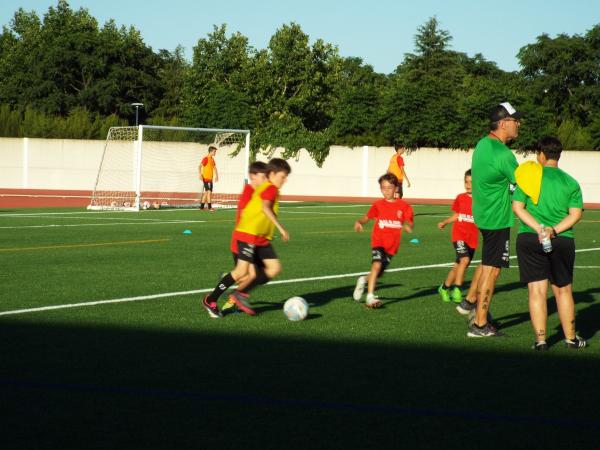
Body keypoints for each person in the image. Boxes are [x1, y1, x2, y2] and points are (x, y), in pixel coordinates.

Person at [512, 136, 586, 350]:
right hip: (562, 239)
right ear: (558, 156)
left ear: (541, 154)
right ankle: (571, 338)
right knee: (563, 290)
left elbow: (518, 207)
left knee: (537, 290)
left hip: (530, 237)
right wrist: (553, 230)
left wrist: (539, 229)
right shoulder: (570, 182)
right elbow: (576, 214)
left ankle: (541, 340)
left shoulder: (530, 177)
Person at [202, 158, 291, 318]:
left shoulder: (266, 189)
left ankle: (237, 293)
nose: (285, 180)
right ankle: (216, 299)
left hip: (258, 237)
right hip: (247, 236)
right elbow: (259, 211)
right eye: (282, 177)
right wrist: (281, 228)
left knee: (266, 271)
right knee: (247, 273)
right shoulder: (265, 189)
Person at [469, 102, 520, 338]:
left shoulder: (482, 144)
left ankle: (473, 307)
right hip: (497, 219)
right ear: (503, 124)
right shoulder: (503, 154)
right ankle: (479, 323)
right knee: (493, 271)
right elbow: (523, 185)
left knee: (488, 266)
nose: (518, 124)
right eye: (514, 120)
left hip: (484, 215)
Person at [353, 173, 414, 308]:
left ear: (396, 188)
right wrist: (360, 222)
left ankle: (362, 280)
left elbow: (410, 222)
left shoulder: (404, 206)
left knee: (378, 272)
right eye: (383, 188)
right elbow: (367, 217)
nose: (386, 191)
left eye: (389, 187)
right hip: (378, 241)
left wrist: (408, 226)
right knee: (376, 265)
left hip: (392, 247)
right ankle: (370, 297)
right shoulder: (378, 204)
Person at [221, 161, 269, 313]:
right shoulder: (248, 194)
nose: (265, 180)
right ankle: (231, 299)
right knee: (252, 276)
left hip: (251, 242)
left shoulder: (256, 193)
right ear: (253, 176)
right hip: (242, 243)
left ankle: (231, 282)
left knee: (258, 275)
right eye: (263, 177)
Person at [437, 169, 482, 306]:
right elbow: (457, 214)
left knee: (459, 265)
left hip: (472, 238)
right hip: (459, 235)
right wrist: (445, 222)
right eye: (466, 182)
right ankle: (457, 289)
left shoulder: (481, 200)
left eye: (471, 183)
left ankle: (444, 288)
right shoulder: (460, 198)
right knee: (465, 259)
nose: (468, 185)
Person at [199, 145, 219, 211]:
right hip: (206, 178)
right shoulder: (206, 158)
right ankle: (210, 207)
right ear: (211, 152)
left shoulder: (212, 159)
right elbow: (199, 166)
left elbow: (214, 168)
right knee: (209, 192)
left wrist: (217, 176)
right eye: (214, 152)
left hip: (210, 179)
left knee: (206, 192)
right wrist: (200, 174)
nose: (215, 153)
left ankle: (201, 207)